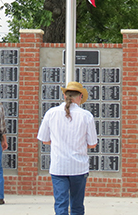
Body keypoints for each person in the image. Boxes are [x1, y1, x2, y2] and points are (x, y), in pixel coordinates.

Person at [37, 81, 97, 215]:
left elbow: (44, 139)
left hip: (59, 166)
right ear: (80, 96)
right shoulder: (86, 116)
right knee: (77, 205)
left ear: (64, 95)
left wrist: (59, 142)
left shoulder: (51, 113)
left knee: (60, 204)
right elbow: (92, 143)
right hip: (78, 167)